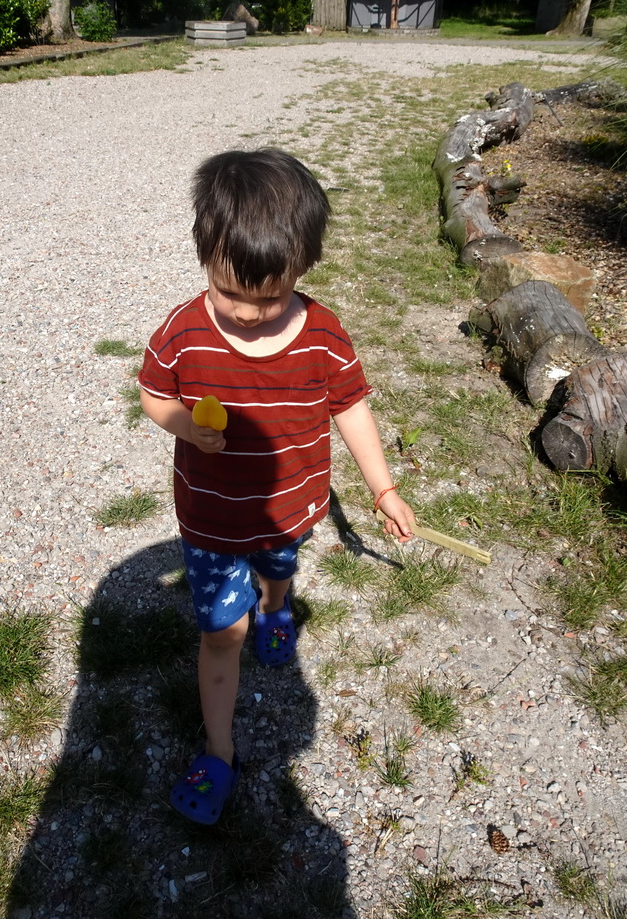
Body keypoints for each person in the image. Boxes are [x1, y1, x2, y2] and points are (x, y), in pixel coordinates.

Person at [138, 148, 415, 825]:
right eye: (231, 293)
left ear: (303, 268)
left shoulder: (321, 335)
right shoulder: (185, 332)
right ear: (204, 255)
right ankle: (220, 749)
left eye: (270, 296)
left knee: (280, 566)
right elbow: (152, 393)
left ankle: (277, 608)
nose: (251, 312)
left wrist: (381, 489)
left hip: (291, 508)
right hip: (209, 521)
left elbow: (350, 406)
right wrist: (185, 425)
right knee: (220, 634)